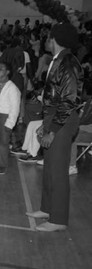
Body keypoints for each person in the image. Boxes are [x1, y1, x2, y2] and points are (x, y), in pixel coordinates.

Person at [26, 23, 83, 232]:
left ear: (54, 39)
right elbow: (53, 97)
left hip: (63, 121)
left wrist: (53, 129)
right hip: (54, 118)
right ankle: (47, 208)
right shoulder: (57, 60)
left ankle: (58, 219)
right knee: (50, 168)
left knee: (58, 171)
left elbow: (69, 100)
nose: (45, 41)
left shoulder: (68, 62)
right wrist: (44, 123)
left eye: (48, 37)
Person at [0, 61, 21, 175]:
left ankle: (3, 165)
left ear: (7, 72)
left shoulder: (12, 88)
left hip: (5, 116)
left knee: (3, 142)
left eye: (1, 69)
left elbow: (15, 107)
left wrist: (10, 123)